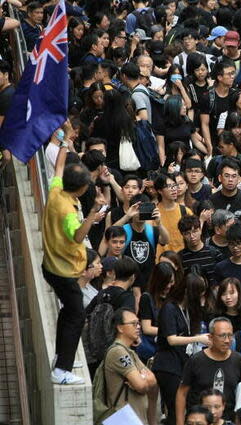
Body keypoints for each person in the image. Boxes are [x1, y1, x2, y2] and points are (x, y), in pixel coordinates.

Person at [43, 144, 104, 385]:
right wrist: (93, 212)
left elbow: (58, 167)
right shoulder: (67, 209)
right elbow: (78, 236)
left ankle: (61, 358)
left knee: (68, 312)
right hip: (64, 270)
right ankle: (61, 370)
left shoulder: (56, 190)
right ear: (79, 188)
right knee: (76, 315)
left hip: (52, 265)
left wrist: (64, 140)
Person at [175, 317, 241, 425]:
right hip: (199, 420)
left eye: (230, 335)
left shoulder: (238, 360)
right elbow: (182, 393)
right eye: (222, 336)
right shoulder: (196, 360)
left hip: (227, 420)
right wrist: (180, 422)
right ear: (211, 337)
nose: (227, 340)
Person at [102, 308, 159, 425]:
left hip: (136, 418)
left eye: (138, 323)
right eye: (134, 324)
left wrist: (143, 379)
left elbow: (153, 380)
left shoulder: (130, 352)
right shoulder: (118, 352)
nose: (138, 327)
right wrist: (143, 379)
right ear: (120, 327)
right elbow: (141, 385)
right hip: (124, 419)